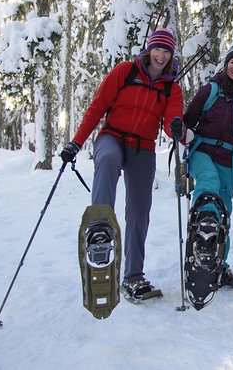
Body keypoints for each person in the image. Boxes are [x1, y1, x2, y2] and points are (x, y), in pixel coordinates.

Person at [60, 27, 183, 299]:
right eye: (157, 49)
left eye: (166, 51)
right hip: (112, 136)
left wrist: (177, 128)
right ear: (149, 50)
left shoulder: (171, 87)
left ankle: (134, 276)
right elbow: (97, 107)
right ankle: (100, 227)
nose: (161, 56)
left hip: (143, 147)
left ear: (171, 56)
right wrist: (76, 143)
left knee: (139, 212)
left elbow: (172, 122)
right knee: (107, 160)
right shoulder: (126, 71)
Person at [180, 43, 233, 288]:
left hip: (227, 156)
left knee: (224, 209)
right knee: (208, 184)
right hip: (202, 150)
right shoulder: (210, 90)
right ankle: (201, 244)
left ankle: (219, 264)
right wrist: (183, 133)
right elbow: (187, 120)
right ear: (226, 65)